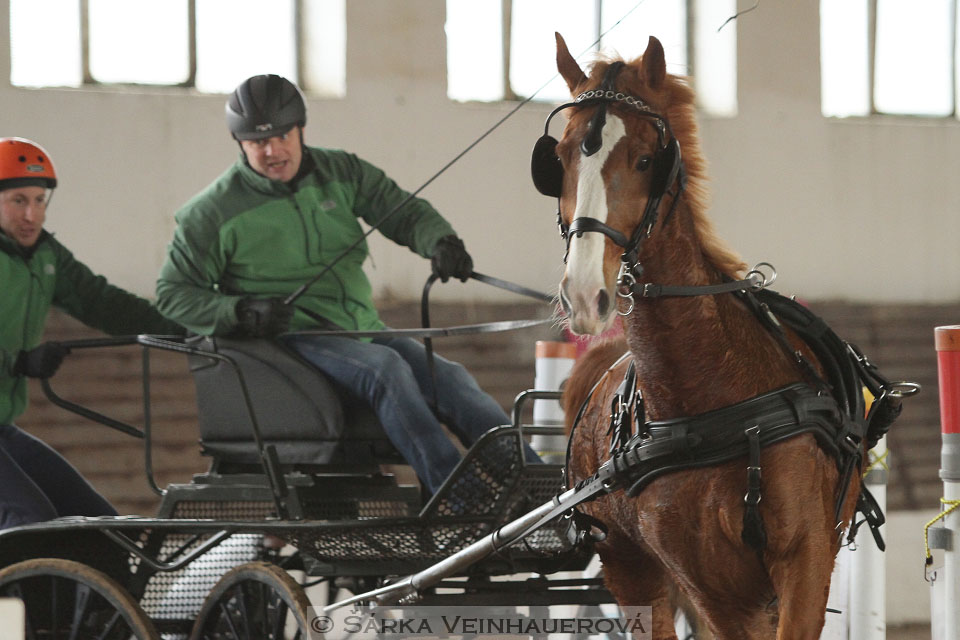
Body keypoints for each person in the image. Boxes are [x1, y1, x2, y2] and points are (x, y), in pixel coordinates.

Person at [157, 74, 538, 494]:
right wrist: (240, 312)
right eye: (256, 142)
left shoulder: (341, 171)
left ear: (301, 128)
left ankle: (536, 485)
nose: (272, 150)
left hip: (360, 327)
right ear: (239, 143)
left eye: (282, 136)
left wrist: (440, 241)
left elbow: (402, 211)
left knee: (450, 377)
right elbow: (174, 295)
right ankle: (458, 496)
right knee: (385, 370)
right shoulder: (210, 212)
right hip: (290, 338)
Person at [0, 137, 184, 530]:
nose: (32, 214)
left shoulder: (45, 256)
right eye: (18, 200)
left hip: (3, 426)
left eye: (40, 200)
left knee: (99, 524)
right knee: (30, 522)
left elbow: (100, 300)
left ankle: (90, 591)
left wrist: (180, 331)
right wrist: (16, 361)